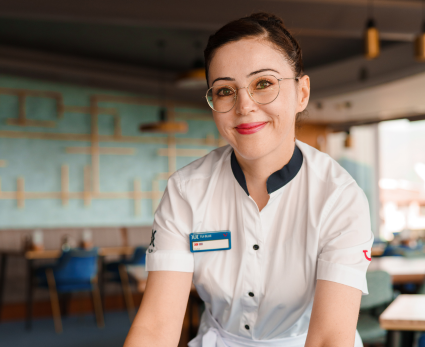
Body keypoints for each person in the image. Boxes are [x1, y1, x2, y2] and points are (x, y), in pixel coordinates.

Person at [124, 12, 374, 347]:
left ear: (302, 93)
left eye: (264, 84)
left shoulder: (339, 196)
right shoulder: (186, 190)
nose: (244, 105)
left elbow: (330, 337)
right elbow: (156, 326)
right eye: (225, 90)